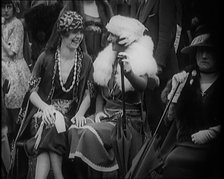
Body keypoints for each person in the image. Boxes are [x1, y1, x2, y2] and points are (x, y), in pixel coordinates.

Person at [67, 15, 159, 178]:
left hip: (126, 121)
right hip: (106, 116)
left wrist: (129, 73)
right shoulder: (107, 57)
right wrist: (98, 111)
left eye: (112, 35)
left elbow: (142, 86)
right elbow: (102, 92)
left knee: (89, 133)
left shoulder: (138, 57)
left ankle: (101, 175)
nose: (108, 38)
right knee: (74, 129)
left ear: (124, 39)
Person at [19, 10, 95, 179]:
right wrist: (46, 108)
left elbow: (89, 94)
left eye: (80, 32)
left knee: (54, 125)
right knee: (50, 122)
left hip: (70, 116)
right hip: (42, 114)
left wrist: (81, 114)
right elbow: (31, 92)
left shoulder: (87, 61)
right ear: (62, 33)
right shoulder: (46, 57)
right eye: (74, 32)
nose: (78, 37)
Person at [156, 29, 221, 179]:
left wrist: (213, 132)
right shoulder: (185, 78)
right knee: (173, 161)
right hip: (185, 145)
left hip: (214, 147)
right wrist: (174, 94)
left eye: (209, 51)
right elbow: (168, 121)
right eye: (200, 51)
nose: (204, 56)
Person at [133, 0, 179, 144]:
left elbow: (167, 34)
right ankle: (154, 159)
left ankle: (164, 160)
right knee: (152, 117)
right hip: (148, 68)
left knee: (162, 120)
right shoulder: (143, 3)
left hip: (161, 71)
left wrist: (156, 66)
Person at [1, 0, 31, 143]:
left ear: (14, 8)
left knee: (14, 110)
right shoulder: (3, 23)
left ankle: (15, 148)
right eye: (3, 7)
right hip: (3, 67)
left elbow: (12, 52)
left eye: (9, 7)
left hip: (14, 69)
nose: (6, 10)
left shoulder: (17, 24)